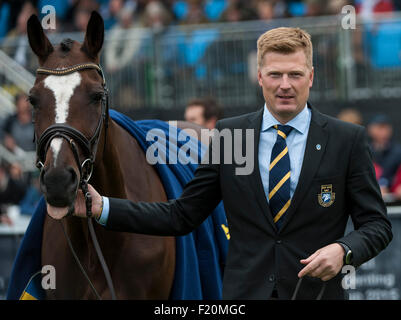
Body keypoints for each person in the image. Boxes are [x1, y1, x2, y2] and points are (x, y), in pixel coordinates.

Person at [48, 27, 392, 300]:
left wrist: (344, 250)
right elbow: (181, 215)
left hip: (319, 295)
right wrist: (102, 207)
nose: (285, 85)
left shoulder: (348, 140)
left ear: (311, 76)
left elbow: (377, 226)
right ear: (259, 77)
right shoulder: (230, 136)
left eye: (295, 74)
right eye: (275, 75)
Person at [366, 114, 401, 197]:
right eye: (380, 128)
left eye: (386, 128)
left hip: (393, 196)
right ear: (370, 129)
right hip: (371, 196)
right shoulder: (365, 151)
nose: (384, 132)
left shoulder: (398, 152)